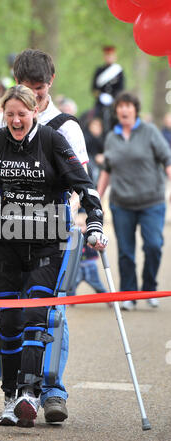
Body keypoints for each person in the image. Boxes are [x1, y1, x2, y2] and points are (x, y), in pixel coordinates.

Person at [0, 85, 108, 427]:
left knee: (35, 314)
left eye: (22, 114)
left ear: (34, 113)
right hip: (4, 242)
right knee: (9, 321)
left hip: (46, 244)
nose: (16, 120)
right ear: (4, 114)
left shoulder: (52, 140)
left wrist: (94, 224)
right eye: (10, 114)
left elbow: (85, 186)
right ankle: (10, 395)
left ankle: (30, 392)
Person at [0, 48, 90, 424]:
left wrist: (61, 213)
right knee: (12, 313)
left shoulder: (66, 127)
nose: (32, 98)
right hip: (9, 233)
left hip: (54, 234)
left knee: (50, 309)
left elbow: (79, 182)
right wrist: (6, 201)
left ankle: (51, 389)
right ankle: (19, 391)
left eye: (38, 90)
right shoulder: (2, 121)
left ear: (49, 85)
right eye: (25, 89)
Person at [97, 91, 171, 311]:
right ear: (117, 111)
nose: (124, 110)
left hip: (152, 201)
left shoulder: (149, 132)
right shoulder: (112, 137)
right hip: (122, 204)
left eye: (128, 105)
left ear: (135, 109)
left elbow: (167, 159)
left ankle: (149, 288)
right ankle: (129, 293)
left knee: (153, 246)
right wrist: (96, 199)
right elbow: (106, 170)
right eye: (120, 106)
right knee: (126, 252)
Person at [67, 211, 108, 300]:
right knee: (72, 284)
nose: (78, 228)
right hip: (77, 266)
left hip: (90, 265)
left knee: (97, 284)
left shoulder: (90, 237)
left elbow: (98, 227)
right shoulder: (72, 236)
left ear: (87, 226)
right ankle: (69, 299)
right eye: (76, 225)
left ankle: (107, 298)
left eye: (81, 225)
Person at [92, 46, 125, 134]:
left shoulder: (119, 71)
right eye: (107, 55)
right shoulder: (99, 70)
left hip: (114, 102)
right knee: (94, 119)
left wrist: (113, 98)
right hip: (100, 102)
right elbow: (94, 88)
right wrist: (100, 96)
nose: (109, 58)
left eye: (111, 56)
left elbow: (121, 88)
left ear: (115, 57)